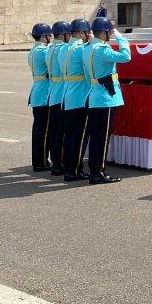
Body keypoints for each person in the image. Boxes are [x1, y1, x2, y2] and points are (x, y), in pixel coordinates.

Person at [84, 17, 130, 184]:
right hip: (105, 98)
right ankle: (98, 173)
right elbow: (126, 56)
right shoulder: (102, 49)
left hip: (94, 95)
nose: (110, 35)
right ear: (103, 32)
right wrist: (121, 37)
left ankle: (94, 170)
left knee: (96, 136)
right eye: (109, 32)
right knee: (102, 138)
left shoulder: (87, 48)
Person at [60, 18, 93, 182]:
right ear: (82, 33)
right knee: (79, 136)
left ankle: (69, 168)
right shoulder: (82, 49)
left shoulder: (63, 48)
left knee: (70, 135)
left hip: (67, 94)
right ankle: (75, 170)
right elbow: (89, 73)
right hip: (80, 95)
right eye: (88, 32)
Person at [44, 21, 71, 175]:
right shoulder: (63, 49)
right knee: (64, 132)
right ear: (63, 34)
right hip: (62, 93)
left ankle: (56, 163)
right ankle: (62, 162)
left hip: (53, 92)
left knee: (55, 132)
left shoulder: (50, 49)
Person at [27, 23, 54, 173]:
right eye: (49, 35)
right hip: (45, 92)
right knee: (44, 130)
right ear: (43, 36)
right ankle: (41, 162)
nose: (50, 37)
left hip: (37, 90)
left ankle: (39, 161)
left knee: (39, 129)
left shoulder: (34, 50)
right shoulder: (44, 51)